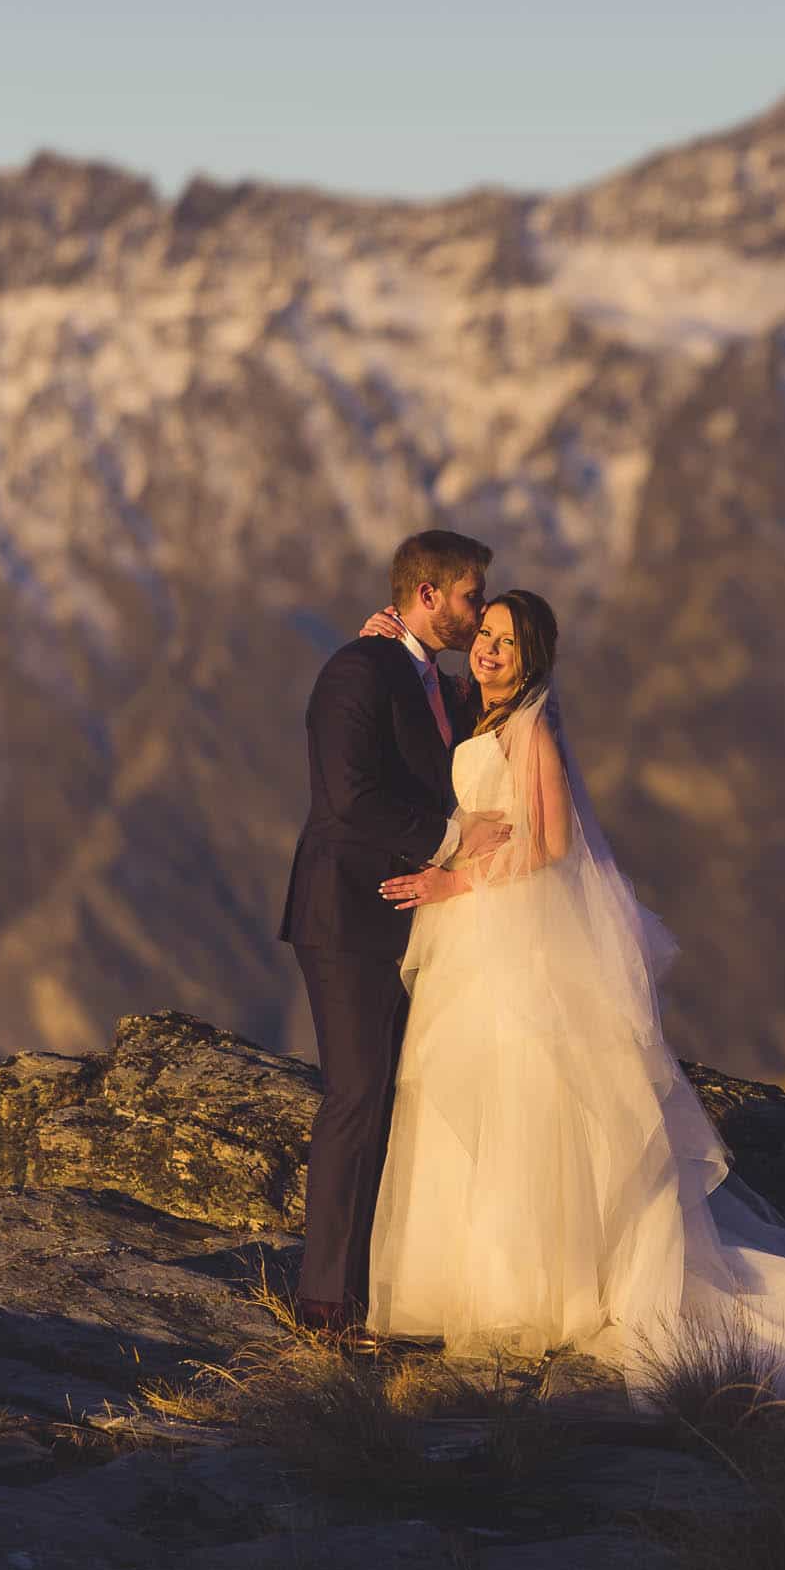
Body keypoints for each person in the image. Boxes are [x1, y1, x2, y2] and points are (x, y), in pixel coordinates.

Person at [363, 589, 785, 1399]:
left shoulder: (533, 724)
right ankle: (482, 1280)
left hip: (506, 935)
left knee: (524, 1100)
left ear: (534, 655)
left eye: (508, 641)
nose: (491, 650)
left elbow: (550, 844)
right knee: (474, 1096)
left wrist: (453, 884)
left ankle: (545, 1288)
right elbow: (427, 696)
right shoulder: (483, 715)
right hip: (476, 939)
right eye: (487, 636)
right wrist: (392, 641)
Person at [279, 531, 510, 1333]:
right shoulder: (356, 670)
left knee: (400, 1096)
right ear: (427, 594)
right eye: (471, 595)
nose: (479, 611)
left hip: (412, 916)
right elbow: (346, 799)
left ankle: (376, 1284)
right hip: (345, 913)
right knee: (355, 1094)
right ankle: (323, 1300)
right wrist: (453, 841)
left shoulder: (424, 677)